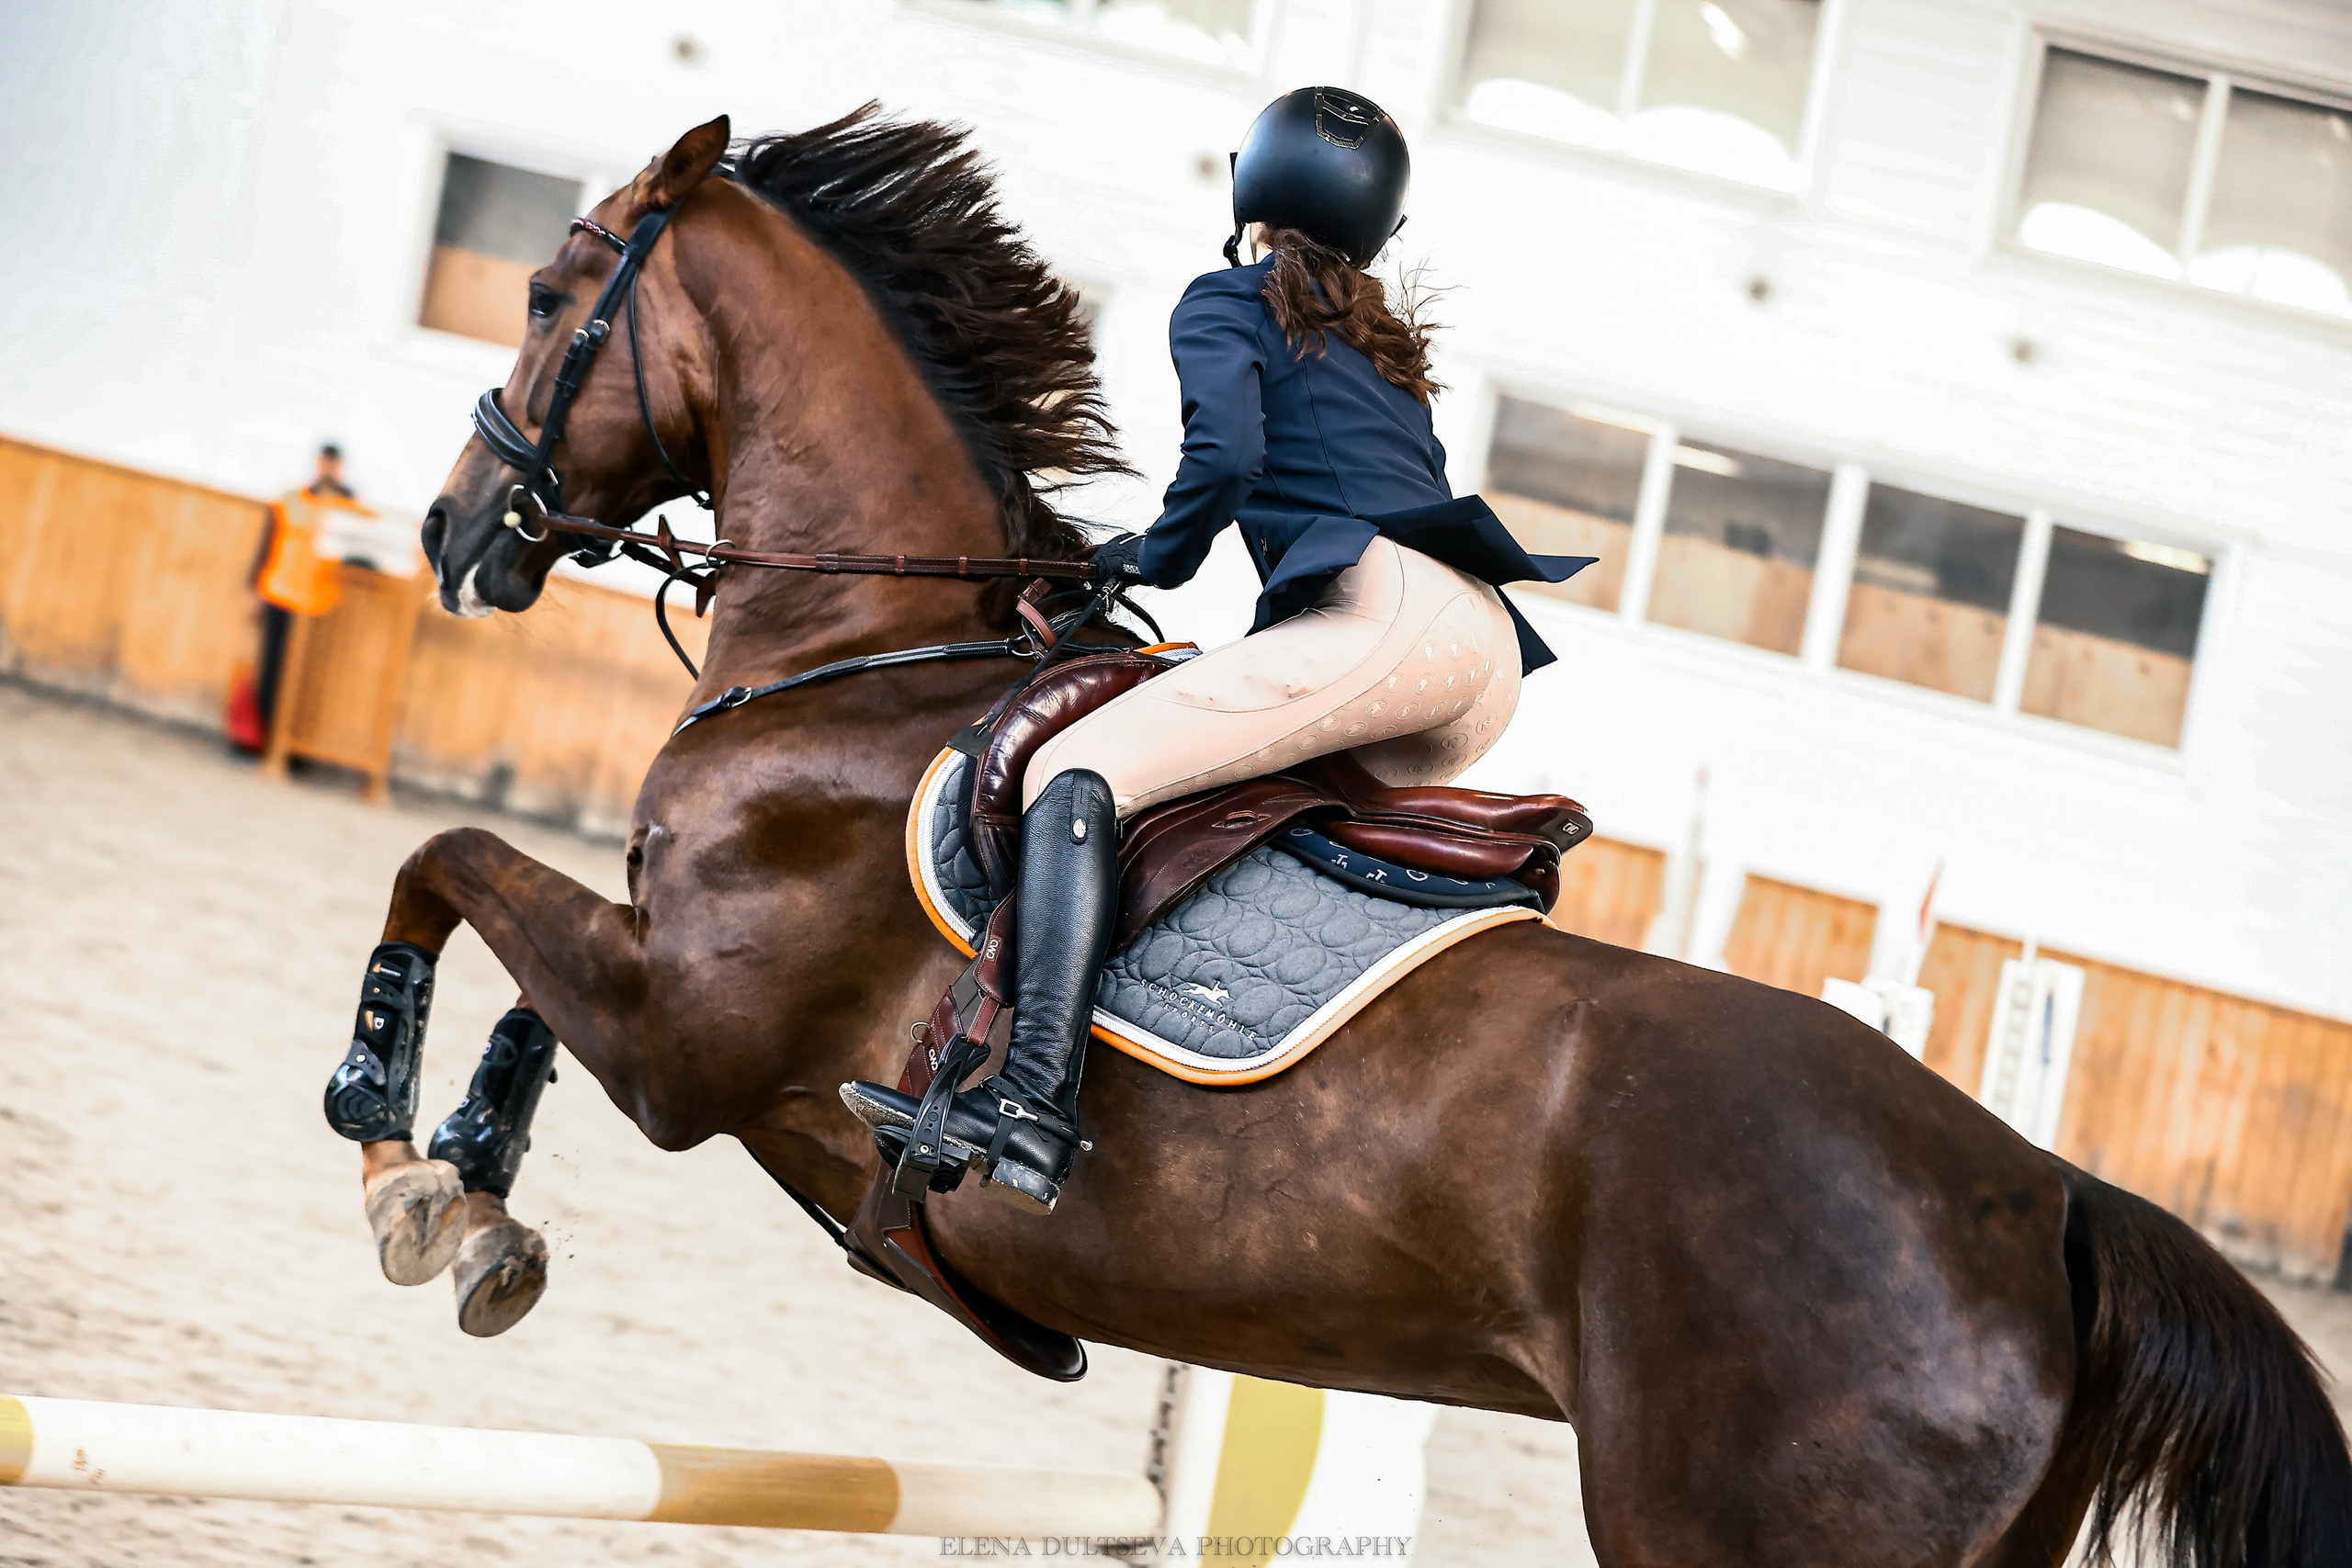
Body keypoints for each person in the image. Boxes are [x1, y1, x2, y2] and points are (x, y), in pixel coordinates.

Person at [844, 87, 1590, 1213]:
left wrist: (1152, 558)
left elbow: (1227, 457)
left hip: (1387, 619)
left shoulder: (1226, 299)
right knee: (1210, 795)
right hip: (1477, 654)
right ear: (1376, 227)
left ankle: (1031, 1102)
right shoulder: (1377, 347)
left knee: (1075, 772)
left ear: (1253, 186)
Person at [242, 444, 355, 750]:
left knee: (306, 678)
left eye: (333, 465)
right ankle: (261, 741)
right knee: (271, 670)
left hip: (318, 601)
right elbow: (267, 542)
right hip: (279, 593)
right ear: (317, 463)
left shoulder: (346, 506)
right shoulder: (290, 500)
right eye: (324, 463)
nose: (328, 469)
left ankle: (292, 746)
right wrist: (255, 590)